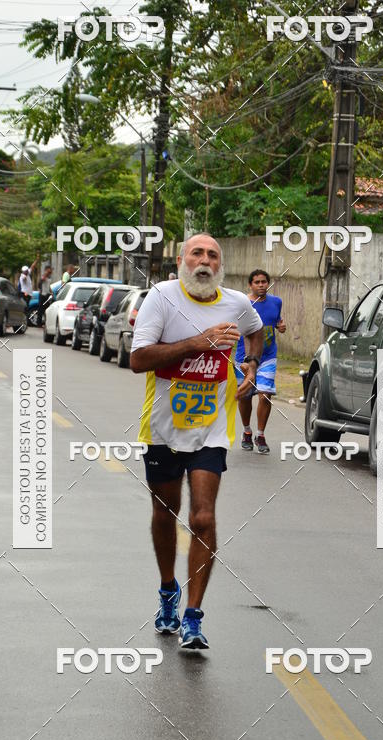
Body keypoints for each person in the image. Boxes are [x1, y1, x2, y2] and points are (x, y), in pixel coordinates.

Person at [130, 233, 264, 650]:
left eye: (212, 255)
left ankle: (193, 615)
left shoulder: (237, 303)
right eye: (197, 253)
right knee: (165, 512)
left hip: (211, 429)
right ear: (181, 260)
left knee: (203, 518)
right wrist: (198, 342)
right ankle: (168, 589)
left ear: (220, 265)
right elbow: (138, 360)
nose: (205, 261)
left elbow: (256, 332)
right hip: (163, 429)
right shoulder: (161, 298)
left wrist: (251, 365)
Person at [235, 269, 285, 454]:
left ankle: (261, 434)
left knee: (265, 393)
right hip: (244, 358)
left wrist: (281, 326)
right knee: (245, 396)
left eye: (264, 281)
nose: (261, 285)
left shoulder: (276, 302)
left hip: (268, 356)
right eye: (257, 282)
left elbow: (277, 320)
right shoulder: (243, 304)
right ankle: (247, 431)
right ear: (250, 285)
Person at [36, 262, 52, 327]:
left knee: (47, 309)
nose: (51, 270)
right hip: (43, 295)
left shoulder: (49, 276)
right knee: (40, 309)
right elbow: (39, 283)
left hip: (47, 294)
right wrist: (44, 276)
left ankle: (45, 323)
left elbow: (48, 285)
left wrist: (51, 292)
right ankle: (39, 323)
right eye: (50, 269)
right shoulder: (44, 275)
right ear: (47, 270)